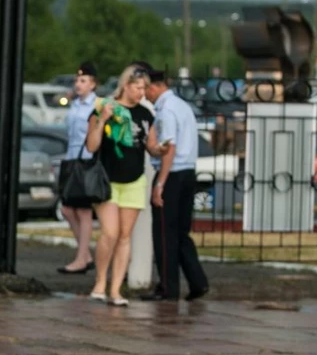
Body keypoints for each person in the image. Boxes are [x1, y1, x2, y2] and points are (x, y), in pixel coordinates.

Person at [85, 65, 162, 306]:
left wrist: (162, 149)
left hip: (134, 180)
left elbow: (151, 145)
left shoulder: (145, 114)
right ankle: (100, 281)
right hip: (107, 181)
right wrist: (103, 120)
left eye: (144, 88)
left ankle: (116, 288)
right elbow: (91, 146)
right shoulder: (104, 107)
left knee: (125, 236)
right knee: (110, 233)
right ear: (126, 85)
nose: (141, 92)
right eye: (137, 87)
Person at [143, 67, 210, 302]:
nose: (145, 96)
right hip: (187, 173)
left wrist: (160, 183)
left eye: (145, 90)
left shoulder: (166, 110)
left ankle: (168, 288)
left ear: (154, 87)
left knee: (164, 234)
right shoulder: (182, 105)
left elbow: (169, 147)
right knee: (181, 234)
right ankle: (197, 281)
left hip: (171, 174)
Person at [57, 62, 98, 275]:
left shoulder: (95, 105)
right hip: (71, 159)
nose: (78, 84)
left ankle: (81, 258)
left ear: (93, 84)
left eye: (83, 81)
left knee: (83, 211)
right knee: (66, 209)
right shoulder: (75, 104)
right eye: (77, 80)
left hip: (86, 160)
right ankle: (86, 255)